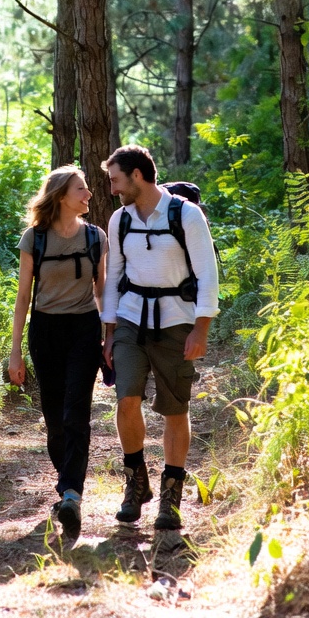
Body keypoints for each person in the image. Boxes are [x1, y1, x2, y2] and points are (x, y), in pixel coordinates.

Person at [101, 145, 219, 532]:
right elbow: (115, 276)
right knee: (126, 398)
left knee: (174, 408)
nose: (113, 189)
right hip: (131, 320)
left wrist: (200, 329)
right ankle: (136, 483)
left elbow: (207, 274)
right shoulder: (119, 219)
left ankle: (171, 496)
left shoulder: (186, 215)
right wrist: (109, 332)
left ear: (137, 175)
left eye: (116, 180)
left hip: (176, 322)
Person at [8, 166, 107, 540]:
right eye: (82, 189)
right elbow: (22, 298)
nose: (89, 194)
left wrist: (108, 337)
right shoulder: (34, 239)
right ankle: (66, 484)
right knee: (53, 415)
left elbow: (103, 293)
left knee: (76, 410)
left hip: (84, 329)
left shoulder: (96, 238)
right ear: (62, 196)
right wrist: (15, 352)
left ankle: (70, 493)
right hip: (45, 331)